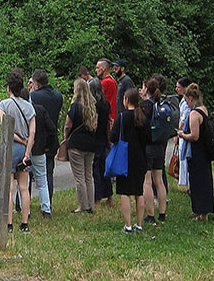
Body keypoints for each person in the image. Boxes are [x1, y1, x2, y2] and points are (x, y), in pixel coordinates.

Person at [0, 70, 36, 232]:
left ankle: (9, 223)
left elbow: (5, 128)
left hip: (9, 149)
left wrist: (18, 139)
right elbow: (32, 132)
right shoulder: (29, 107)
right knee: (24, 187)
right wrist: (27, 152)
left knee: (9, 187)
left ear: (9, 88)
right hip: (24, 151)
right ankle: (25, 223)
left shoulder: (4, 105)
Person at [64, 78, 107, 214]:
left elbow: (68, 125)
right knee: (89, 175)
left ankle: (82, 205)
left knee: (79, 177)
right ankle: (90, 205)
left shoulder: (75, 106)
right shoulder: (92, 106)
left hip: (76, 143)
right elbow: (95, 125)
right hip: (91, 143)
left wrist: (66, 137)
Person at [110, 89, 150, 233]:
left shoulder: (122, 117)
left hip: (124, 158)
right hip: (140, 158)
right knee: (139, 192)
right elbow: (148, 138)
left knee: (125, 192)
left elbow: (113, 137)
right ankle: (139, 224)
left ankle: (128, 224)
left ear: (126, 100)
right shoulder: (142, 117)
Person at [176, 83, 214, 221]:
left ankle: (202, 212)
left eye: (186, 99)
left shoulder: (194, 114)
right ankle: (202, 210)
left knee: (198, 182)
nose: (186, 102)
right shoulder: (204, 109)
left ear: (190, 98)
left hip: (197, 151)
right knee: (204, 181)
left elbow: (194, 135)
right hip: (205, 151)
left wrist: (182, 135)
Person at [29, 69, 63, 211]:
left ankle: (24, 203)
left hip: (36, 139)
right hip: (51, 138)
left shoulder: (34, 97)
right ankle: (48, 203)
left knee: (29, 173)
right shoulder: (58, 96)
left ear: (36, 84)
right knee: (48, 172)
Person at [140, 75, 170, 224]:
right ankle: (162, 213)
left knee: (147, 181)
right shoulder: (161, 104)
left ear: (147, 89)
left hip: (148, 146)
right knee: (159, 180)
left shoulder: (145, 105)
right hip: (160, 145)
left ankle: (150, 214)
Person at [94, 59, 118, 206]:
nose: (96, 70)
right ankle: (108, 196)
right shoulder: (113, 82)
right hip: (108, 121)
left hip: (104, 125)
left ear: (103, 68)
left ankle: (98, 196)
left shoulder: (106, 83)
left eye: (98, 67)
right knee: (104, 162)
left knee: (98, 164)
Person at [174, 78, 193, 188]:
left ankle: (188, 182)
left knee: (184, 155)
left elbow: (183, 119)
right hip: (183, 131)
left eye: (179, 87)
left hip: (184, 131)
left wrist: (178, 132)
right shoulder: (183, 100)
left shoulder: (186, 103)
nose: (177, 89)